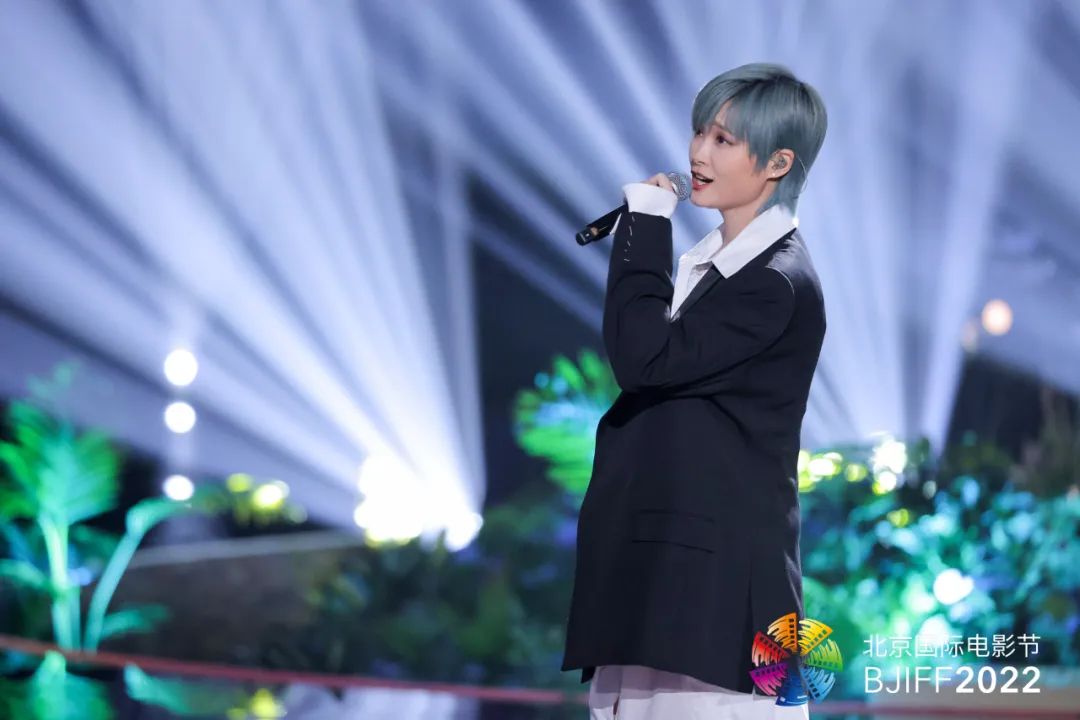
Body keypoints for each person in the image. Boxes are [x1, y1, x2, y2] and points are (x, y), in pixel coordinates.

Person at [560, 62, 829, 719]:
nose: (697, 154)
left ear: (778, 163)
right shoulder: (717, 266)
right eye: (699, 132)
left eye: (723, 140)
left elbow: (644, 359)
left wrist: (647, 227)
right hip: (663, 593)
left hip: (713, 611)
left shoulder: (774, 283)